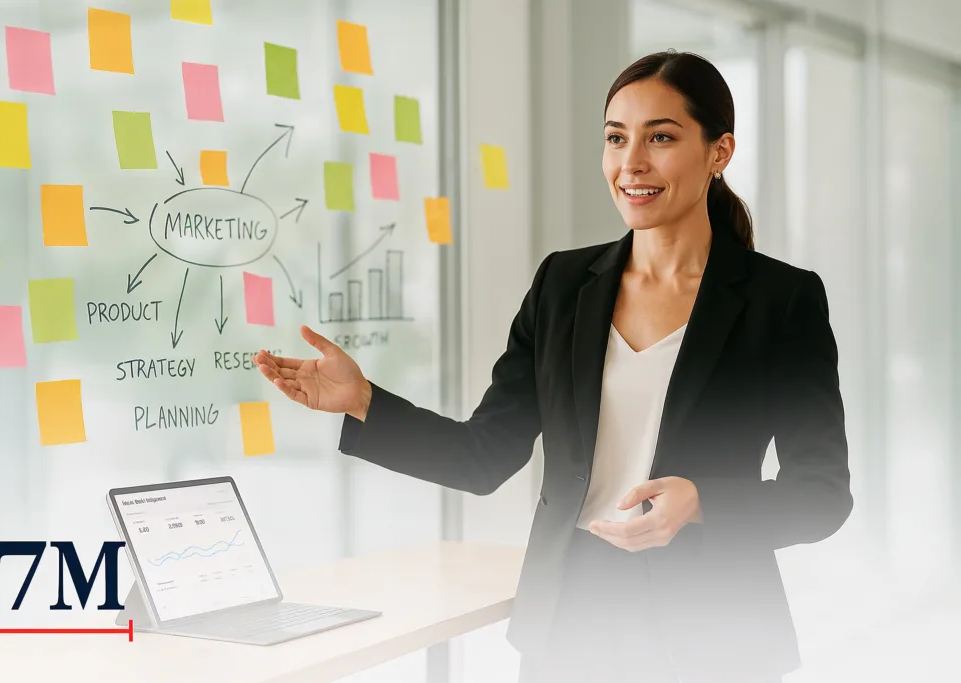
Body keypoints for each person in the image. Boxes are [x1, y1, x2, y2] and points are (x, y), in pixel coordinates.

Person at [253, 50, 852, 683]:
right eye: (616, 138)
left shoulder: (781, 300)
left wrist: (702, 503)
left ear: (719, 152)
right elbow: (482, 455)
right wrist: (363, 402)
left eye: (661, 138)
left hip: (715, 636)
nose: (631, 163)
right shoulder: (563, 285)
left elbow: (822, 495)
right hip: (570, 625)